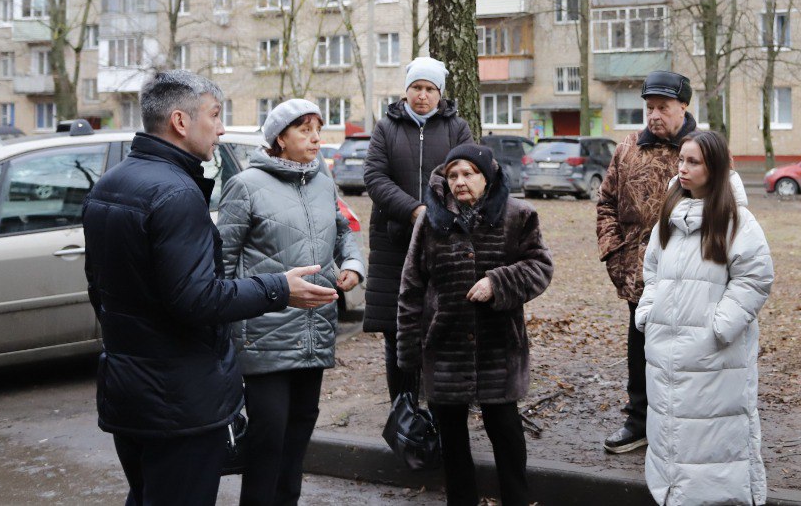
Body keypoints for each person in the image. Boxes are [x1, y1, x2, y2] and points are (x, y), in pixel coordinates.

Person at [81, 71, 337, 506]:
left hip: (129, 389)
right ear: (181, 122)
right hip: (179, 400)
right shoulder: (176, 192)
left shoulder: (111, 183)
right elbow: (197, 298)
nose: (221, 129)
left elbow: (99, 291)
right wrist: (279, 288)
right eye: (215, 116)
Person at [219, 99, 366, 506]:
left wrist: (352, 265)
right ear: (280, 139)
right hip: (263, 336)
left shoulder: (322, 178)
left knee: (297, 440)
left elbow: (342, 231)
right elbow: (224, 266)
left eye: (318, 128)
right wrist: (226, 333)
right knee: (267, 444)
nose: (316, 137)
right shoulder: (245, 185)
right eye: (304, 129)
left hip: (315, 333)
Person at [398, 144, 553, 506]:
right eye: (453, 175)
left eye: (469, 173)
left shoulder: (518, 215)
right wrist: (409, 352)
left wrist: (498, 283)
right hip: (445, 343)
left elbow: (540, 267)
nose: (460, 181)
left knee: (506, 431)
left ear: (487, 177)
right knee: (452, 439)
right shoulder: (430, 221)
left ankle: (517, 499)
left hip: (498, 345)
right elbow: (411, 286)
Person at [636, 131, 774, 506]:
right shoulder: (670, 215)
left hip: (715, 358)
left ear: (714, 168)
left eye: (693, 162)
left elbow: (755, 276)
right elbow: (652, 269)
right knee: (671, 434)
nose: (682, 168)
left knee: (713, 441)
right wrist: (650, 312)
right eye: (681, 160)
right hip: (665, 354)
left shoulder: (737, 221)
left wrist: (720, 327)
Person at [596, 70, 700, 454]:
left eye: (663, 108)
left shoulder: (702, 150)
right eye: (649, 108)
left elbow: (725, 209)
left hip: (691, 277)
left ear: (683, 107)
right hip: (639, 274)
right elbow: (606, 203)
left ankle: (684, 427)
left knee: (687, 352)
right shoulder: (627, 149)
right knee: (639, 350)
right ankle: (638, 421)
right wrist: (614, 253)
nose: (654, 115)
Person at [363, 56, 473, 400]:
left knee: (445, 324)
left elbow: (469, 174)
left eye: (429, 89)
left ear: (439, 93)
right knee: (398, 330)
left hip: (446, 241)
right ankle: (404, 406)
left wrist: (440, 213)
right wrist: (413, 210)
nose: (422, 95)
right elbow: (375, 178)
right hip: (393, 244)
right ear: (406, 91)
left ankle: (443, 403)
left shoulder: (457, 128)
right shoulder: (386, 128)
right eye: (416, 88)